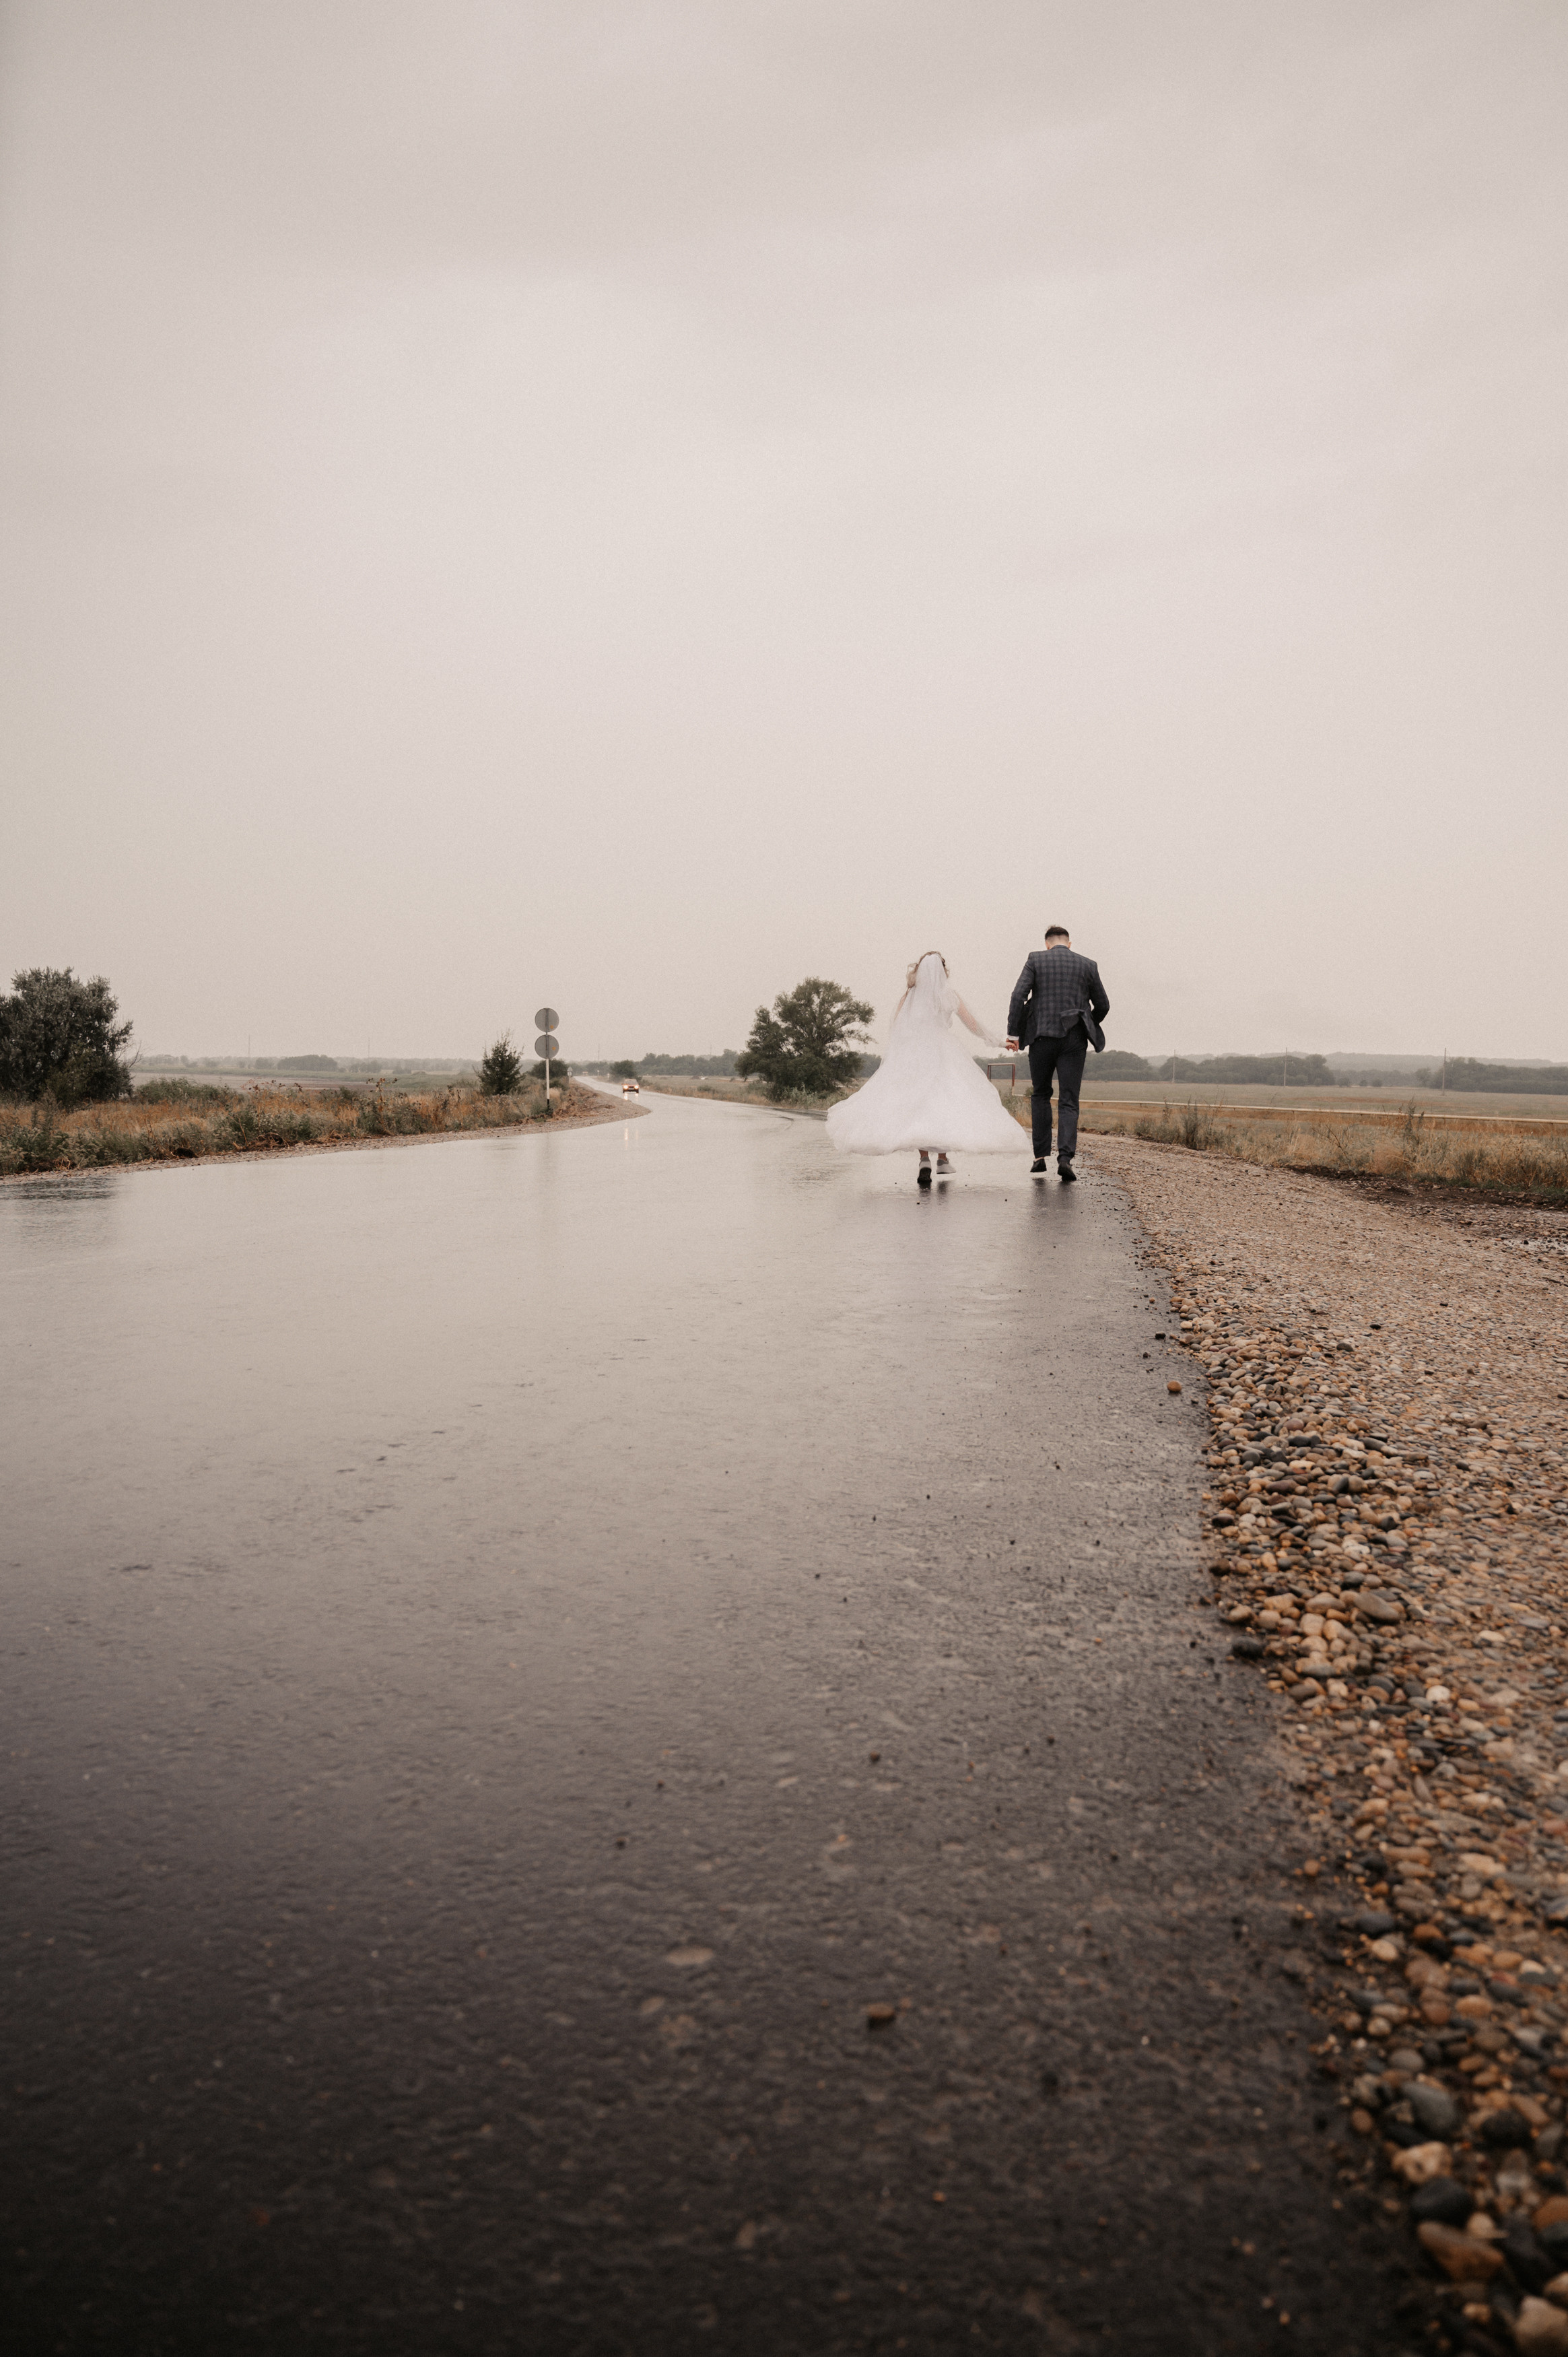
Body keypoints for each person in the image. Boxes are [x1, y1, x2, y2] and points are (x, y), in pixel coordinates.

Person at [826, 951, 1023, 1186]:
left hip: (915, 1054)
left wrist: (902, 1053)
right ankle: (942, 1159)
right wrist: (1000, 1041)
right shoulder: (948, 996)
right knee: (944, 1101)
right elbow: (974, 1025)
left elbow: (896, 1024)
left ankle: (924, 1160)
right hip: (944, 1051)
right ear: (943, 971)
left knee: (919, 1105)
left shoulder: (910, 996)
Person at [1005, 926, 1110, 1183]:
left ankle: (1040, 1157)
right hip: (1074, 1040)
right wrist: (1086, 1021)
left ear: (1047, 943)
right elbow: (1104, 1005)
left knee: (1041, 1095)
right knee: (1069, 1099)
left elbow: (1019, 995)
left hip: (1041, 1037)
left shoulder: (1036, 959)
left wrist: (1014, 1034)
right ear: (1069, 943)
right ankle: (1065, 1158)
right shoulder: (1088, 965)